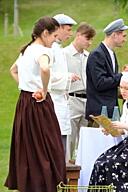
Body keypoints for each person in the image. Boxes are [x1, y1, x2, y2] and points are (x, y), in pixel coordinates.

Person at [4, 16, 66, 192]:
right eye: (55, 36)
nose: (56, 40)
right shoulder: (43, 51)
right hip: (39, 104)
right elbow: (45, 68)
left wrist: (25, 86)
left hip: (24, 103)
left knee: (27, 149)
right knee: (47, 149)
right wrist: (44, 90)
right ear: (45, 33)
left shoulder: (27, 49)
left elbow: (12, 70)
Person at [85, 18, 128, 125]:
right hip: (99, 114)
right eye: (123, 36)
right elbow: (100, 83)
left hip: (110, 112)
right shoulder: (97, 54)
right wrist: (123, 75)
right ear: (114, 35)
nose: (125, 39)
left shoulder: (111, 53)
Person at [63, 22, 96, 161]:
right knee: (70, 137)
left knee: (85, 139)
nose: (90, 42)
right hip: (72, 99)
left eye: (91, 39)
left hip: (88, 100)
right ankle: (66, 171)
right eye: (87, 38)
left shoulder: (89, 56)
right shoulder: (63, 54)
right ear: (78, 35)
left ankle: (83, 170)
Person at [51, 13, 77, 154]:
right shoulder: (50, 49)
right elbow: (45, 76)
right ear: (58, 28)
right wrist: (67, 77)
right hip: (54, 100)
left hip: (61, 100)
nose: (70, 34)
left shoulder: (57, 48)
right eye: (68, 29)